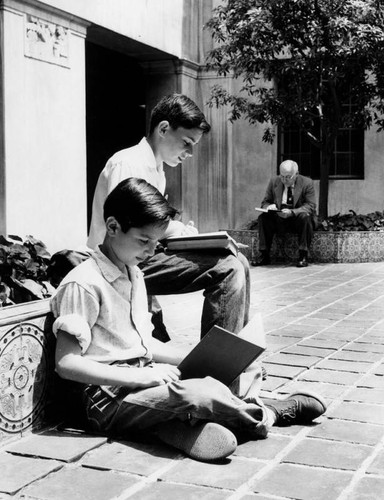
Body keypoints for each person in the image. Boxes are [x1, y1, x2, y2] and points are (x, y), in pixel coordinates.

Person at [51, 177, 327, 463]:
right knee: (201, 393)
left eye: (155, 244)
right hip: (104, 402)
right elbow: (66, 363)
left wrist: (207, 359)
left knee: (211, 376)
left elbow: (143, 345)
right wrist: (139, 375)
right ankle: (267, 413)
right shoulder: (83, 283)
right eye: (143, 241)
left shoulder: (133, 273)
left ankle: (172, 427)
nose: (149, 251)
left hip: (140, 383)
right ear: (112, 227)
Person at [87, 93, 250, 340]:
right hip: (117, 264)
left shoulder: (156, 169)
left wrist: (181, 233)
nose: (189, 152)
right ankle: (218, 367)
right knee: (228, 269)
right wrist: (174, 230)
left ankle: (237, 353)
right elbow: (128, 230)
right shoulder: (128, 164)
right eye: (186, 142)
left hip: (141, 256)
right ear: (163, 128)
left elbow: (148, 226)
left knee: (240, 261)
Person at [253, 160, 317, 268]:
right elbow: (265, 202)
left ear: (296, 174)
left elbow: (310, 206)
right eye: (282, 176)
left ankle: (303, 255)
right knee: (263, 218)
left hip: (296, 218)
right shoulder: (274, 181)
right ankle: (264, 255)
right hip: (279, 217)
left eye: (288, 177)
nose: (284, 180)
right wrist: (269, 207)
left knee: (305, 217)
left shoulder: (307, 183)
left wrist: (292, 212)